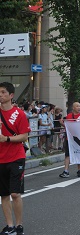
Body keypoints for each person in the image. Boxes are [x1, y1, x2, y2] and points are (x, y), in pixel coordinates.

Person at [0, 82, 31, 235]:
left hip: (16, 157)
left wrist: (6, 139)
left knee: (14, 194)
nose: (0, 95)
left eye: (3, 92)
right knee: (4, 195)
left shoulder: (18, 114)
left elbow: (24, 136)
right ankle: (10, 225)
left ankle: (19, 225)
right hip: (0, 159)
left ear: (11, 95)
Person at [59, 102, 80, 178]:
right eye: (77, 106)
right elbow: (67, 127)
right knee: (67, 155)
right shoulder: (69, 116)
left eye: (79, 106)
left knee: (79, 154)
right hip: (70, 139)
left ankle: (79, 170)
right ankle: (66, 170)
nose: (79, 107)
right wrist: (62, 123)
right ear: (73, 108)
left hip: (79, 139)